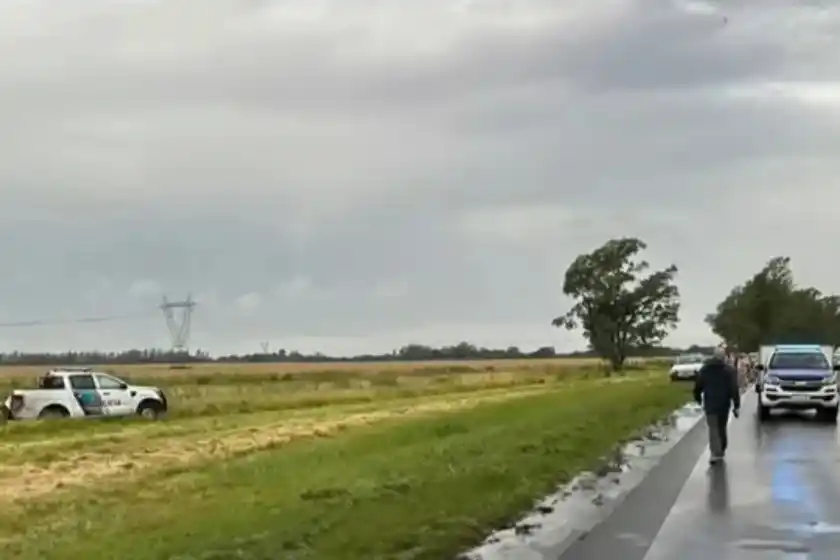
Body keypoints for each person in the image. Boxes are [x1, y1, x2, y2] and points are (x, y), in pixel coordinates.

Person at [694, 346, 740, 464]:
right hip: (724, 403)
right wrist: (736, 405)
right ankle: (720, 450)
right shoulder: (729, 370)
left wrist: (698, 398)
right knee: (721, 427)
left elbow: (698, 386)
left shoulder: (705, 369)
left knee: (713, 428)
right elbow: (734, 388)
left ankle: (716, 452)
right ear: (724, 357)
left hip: (710, 402)